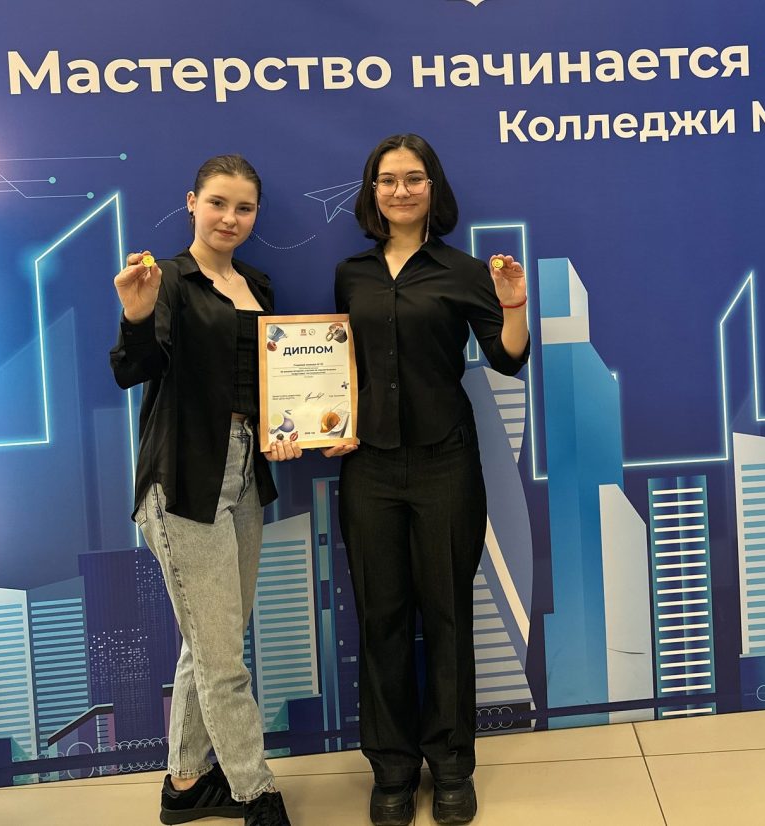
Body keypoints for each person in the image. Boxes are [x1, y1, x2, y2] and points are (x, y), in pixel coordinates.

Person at [324, 134, 530, 826]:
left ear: (433, 189)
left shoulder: (465, 271)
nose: (401, 190)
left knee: (446, 616)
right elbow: (336, 367)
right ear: (372, 191)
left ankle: (450, 767)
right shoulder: (350, 273)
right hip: (369, 467)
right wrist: (323, 421)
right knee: (381, 619)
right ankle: (390, 770)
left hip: (445, 461)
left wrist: (512, 305)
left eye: (414, 179)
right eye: (388, 180)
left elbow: (507, 360)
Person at [110, 154, 300, 826]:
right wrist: (136, 316)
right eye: (218, 202)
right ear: (192, 202)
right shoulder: (164, 280)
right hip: (184, 479)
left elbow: (272, 380)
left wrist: (288, 427)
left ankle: (186, 784)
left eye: (243, 207)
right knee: (223, 659)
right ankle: (256, 793)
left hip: (245, 473)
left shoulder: (259, 284)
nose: (229, 218)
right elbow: (133, 370)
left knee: (212, 639)